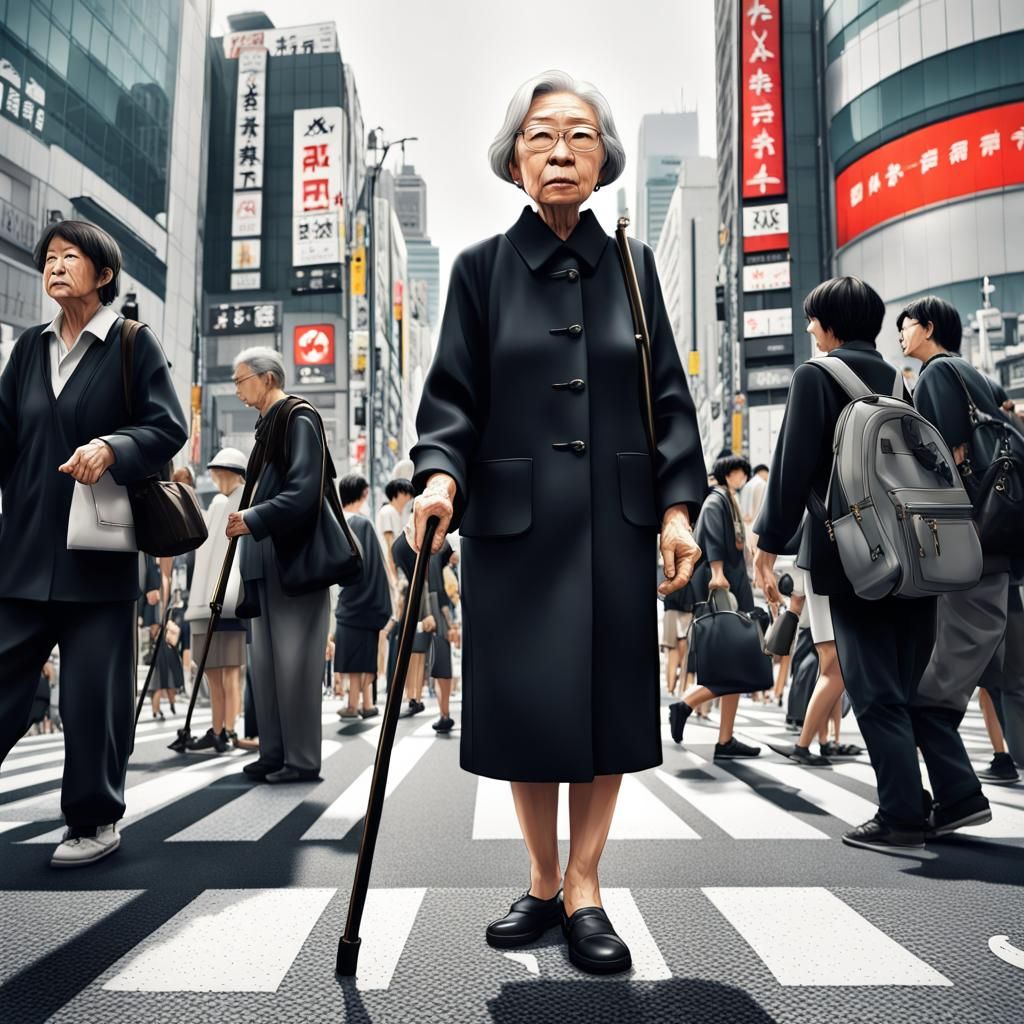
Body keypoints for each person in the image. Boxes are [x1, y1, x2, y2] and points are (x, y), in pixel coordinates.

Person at [409, 70, 705, 974]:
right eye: (541, 136)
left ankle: (586, 885)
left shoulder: (633, 266)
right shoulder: (479, 271)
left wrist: (679, 512)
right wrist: (437, 484)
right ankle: (542, 880)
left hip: (615, 527)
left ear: (605, 157)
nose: (562, 150)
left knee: (610, 704)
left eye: (579, 135)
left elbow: (669, 402)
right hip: (514, 529)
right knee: (530, 709)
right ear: (514, 160)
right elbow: (452, 401)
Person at [752, 276, 989, 852]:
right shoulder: (899, 380)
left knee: (874, 689)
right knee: (905, 685)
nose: (809, 329)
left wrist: (767, 544)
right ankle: (954, 796)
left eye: (812, 319)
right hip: (916, 552)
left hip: (854, 557)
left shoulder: (816, 376)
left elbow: (791, 466)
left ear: (830, 323)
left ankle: (902, 815)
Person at [0, 219, 187, 867]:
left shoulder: (132, 344)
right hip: (22, 550)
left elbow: (168, 427)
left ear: (102, 273)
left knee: (89, 700)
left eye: (68, 256)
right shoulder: (27, 349)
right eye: (47, 258)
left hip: (98, 553)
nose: (53, 266)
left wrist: (113, 446)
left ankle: (93, 821)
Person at [897, 296, 1010, 823]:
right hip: (999, 543)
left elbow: (939, 460)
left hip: (967, 549)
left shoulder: (938, 374)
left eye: (907, 326)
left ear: (930, 327)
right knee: (996, 679)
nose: (901, 335)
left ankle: (961, 797)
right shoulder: (979, 377)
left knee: (930, 701)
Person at [228, 348, 331, 784]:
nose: (237, 391)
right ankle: (274, 752)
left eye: (240, 380)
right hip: (266, 557)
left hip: (291, 558)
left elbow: (306, 490)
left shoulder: (298, 417)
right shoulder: (271, 424)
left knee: (293, 663)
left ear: (267, 378)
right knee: (267, 667)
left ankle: (301, 759)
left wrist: (252, 518)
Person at [668, 455, 762, 759]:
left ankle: (722, 736)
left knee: (737, 665)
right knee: (733, 664)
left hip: (733, 586)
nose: (743, 478)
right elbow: (710, 538)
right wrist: (719, 572)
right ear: (730, 472)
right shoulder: (716, 500)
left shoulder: (727, 499)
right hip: (723, 587)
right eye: (741, 472)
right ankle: (690, 707)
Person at [184, 447, 249, 753]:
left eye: (218, 473)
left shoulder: (230, 502)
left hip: (220, 598)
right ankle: (223, 729)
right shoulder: (228, 502)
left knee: (221, 671)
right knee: (224, 670)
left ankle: (225, 729)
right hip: (224, 599)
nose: (215, 478)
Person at [333, 474, 392, 720]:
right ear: (364, 494)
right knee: (365, 654)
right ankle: (366, 703)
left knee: (350, 655)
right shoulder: (363, 524)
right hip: (367, 602)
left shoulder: (336, 522)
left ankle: (352, 703)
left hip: (347, 601)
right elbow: (375, 567)